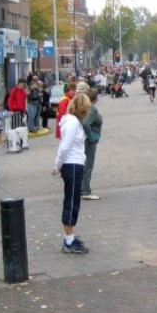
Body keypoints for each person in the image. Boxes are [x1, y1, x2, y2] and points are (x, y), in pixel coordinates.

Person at [52, 92, 92, 254]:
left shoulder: (72, 122)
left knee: (73, 200)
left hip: (74, 164)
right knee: (71, 201)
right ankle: (69, 240)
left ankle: (70, 236)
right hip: (72, 165)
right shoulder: (73, 123)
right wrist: (57, 164)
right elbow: (65, 146)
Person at [81, 88, 103, 201]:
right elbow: (86, 123)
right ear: (95, 98)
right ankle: (86, 191)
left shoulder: (84, 107)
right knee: (88, 165)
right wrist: (91, 137)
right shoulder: (92, 109)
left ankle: (82, 188)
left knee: (84, 164)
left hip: (84, 139)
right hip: (89, 140)